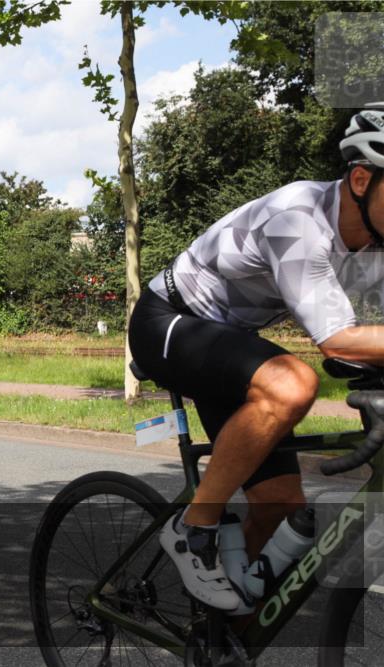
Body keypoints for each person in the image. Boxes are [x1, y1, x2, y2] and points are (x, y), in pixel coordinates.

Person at [129, 104, 384, 611]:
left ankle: (220, 635)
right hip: (170, 322)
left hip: (229, 342)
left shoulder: (374, 243)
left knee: (278, 509)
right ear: (361, 178)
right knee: (292, 382)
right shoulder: (298, 220)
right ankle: (191, 527)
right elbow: (336, 340)